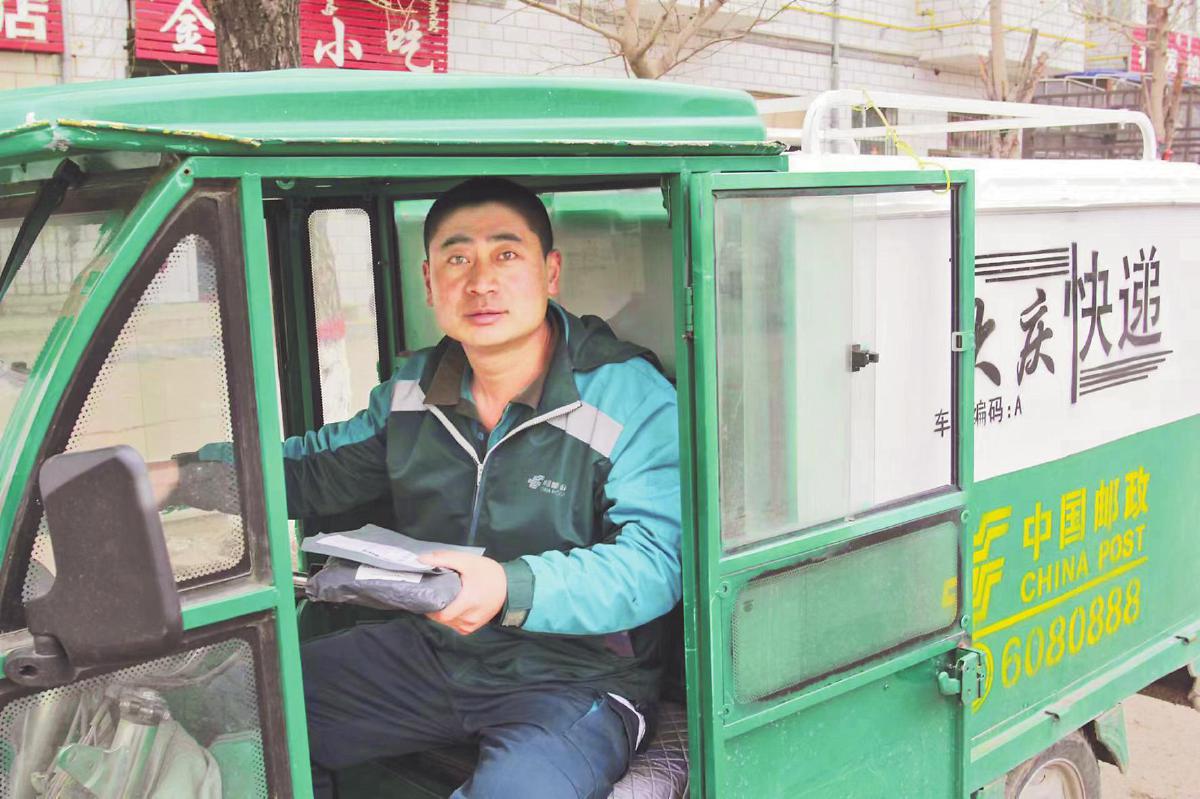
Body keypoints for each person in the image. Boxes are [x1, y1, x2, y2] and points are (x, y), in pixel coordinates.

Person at [161, 177, 681, 798]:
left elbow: (655, 562)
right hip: (434, 651)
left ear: (550, 273)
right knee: (238, 710)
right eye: (458, 259)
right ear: (430, 282)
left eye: (506, 254)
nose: (481, 282)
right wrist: (178, 478)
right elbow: (314, 469)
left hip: (575, 677)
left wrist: (508, 587)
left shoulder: (628, 395)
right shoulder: (416, 389)